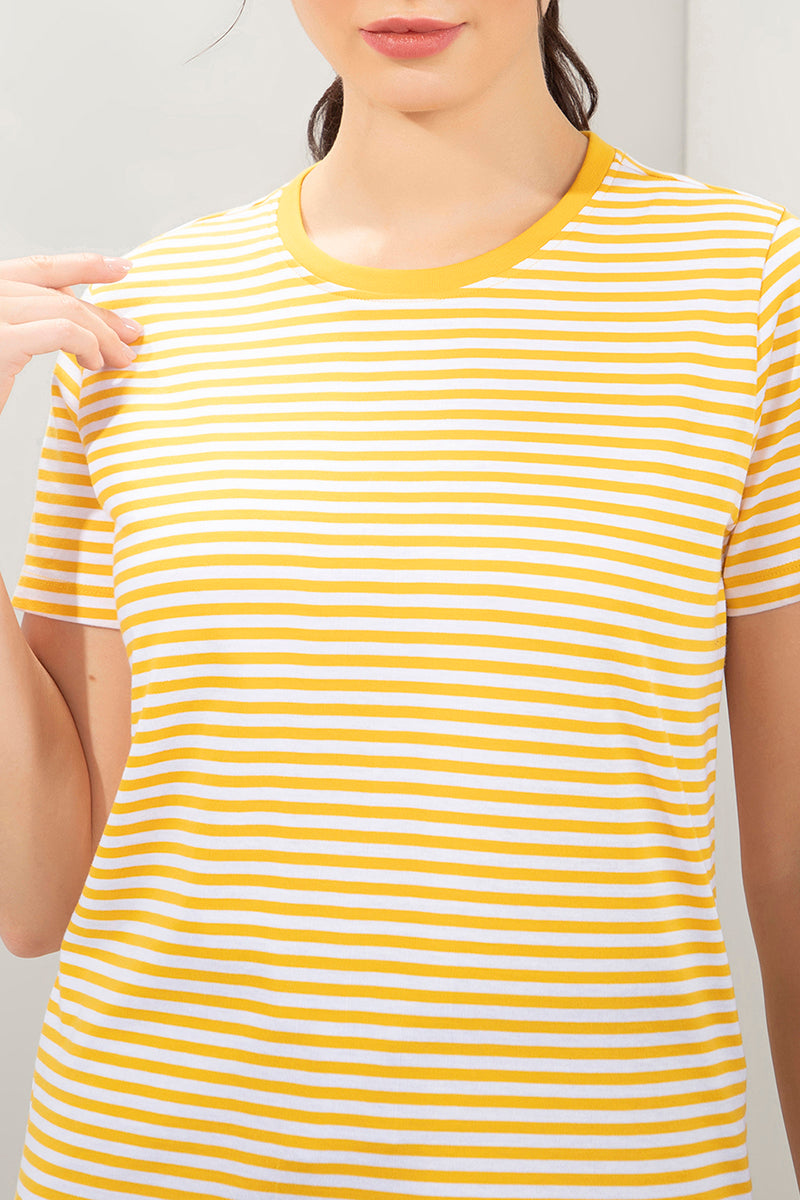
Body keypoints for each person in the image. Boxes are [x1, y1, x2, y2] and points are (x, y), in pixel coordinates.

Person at [1, 2, 799, 1197]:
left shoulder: (746, 292)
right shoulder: (141, 318)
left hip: (591, 1164)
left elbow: (788, 867)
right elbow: (38, 894)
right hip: (149, 1154)